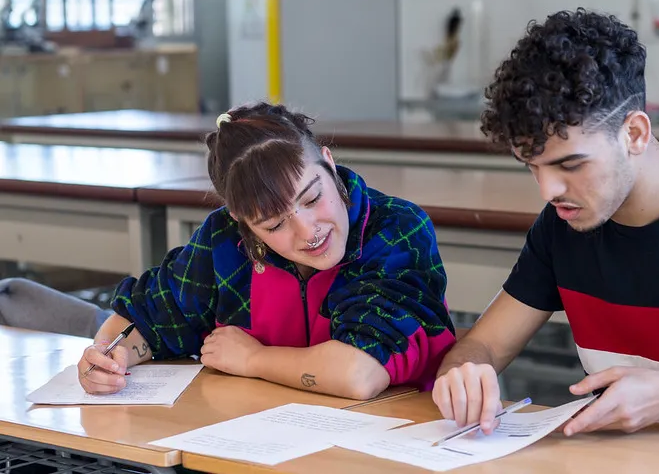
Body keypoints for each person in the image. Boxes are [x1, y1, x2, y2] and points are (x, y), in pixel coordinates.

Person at [432, 8, 659, 439]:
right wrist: (463, 372)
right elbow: (483, 345)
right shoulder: (561, 226)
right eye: (532, 167)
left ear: (636, 134)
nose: (548, 190)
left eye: (570, 164)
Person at [78, 102, 456, 400]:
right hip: (265, 437)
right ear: (241, 220)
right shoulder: (225, 241)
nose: (308, 231)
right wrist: (107, 355)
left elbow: (358, 374)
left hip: (395, 438)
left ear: (329, 163)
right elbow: (148, 317)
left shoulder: (395, 230)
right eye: (274, 225)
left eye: (313, 197)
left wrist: (253, 358)